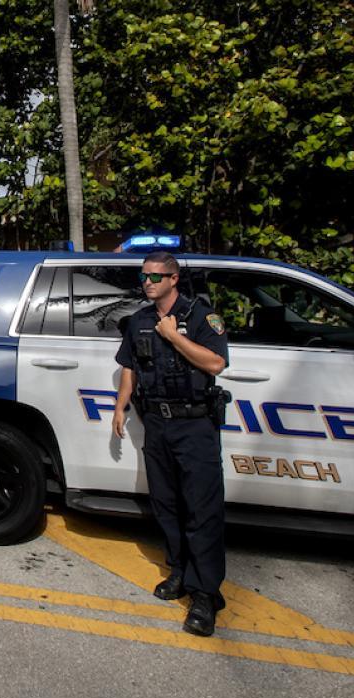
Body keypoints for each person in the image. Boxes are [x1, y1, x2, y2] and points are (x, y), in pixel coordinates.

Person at [113, 251, 230, 637]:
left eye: (155, 277)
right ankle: (179, 571)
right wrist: (121, 405)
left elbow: (215, 364)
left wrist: (174, 337)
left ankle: (204, 594)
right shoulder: (140, 319)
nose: (147, 282)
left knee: (202, 509)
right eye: (143, 276)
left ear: (174, 279)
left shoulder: (199, 315)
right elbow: (130, 365)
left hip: (194, 425)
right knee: (166, 505)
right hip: (157, 425)